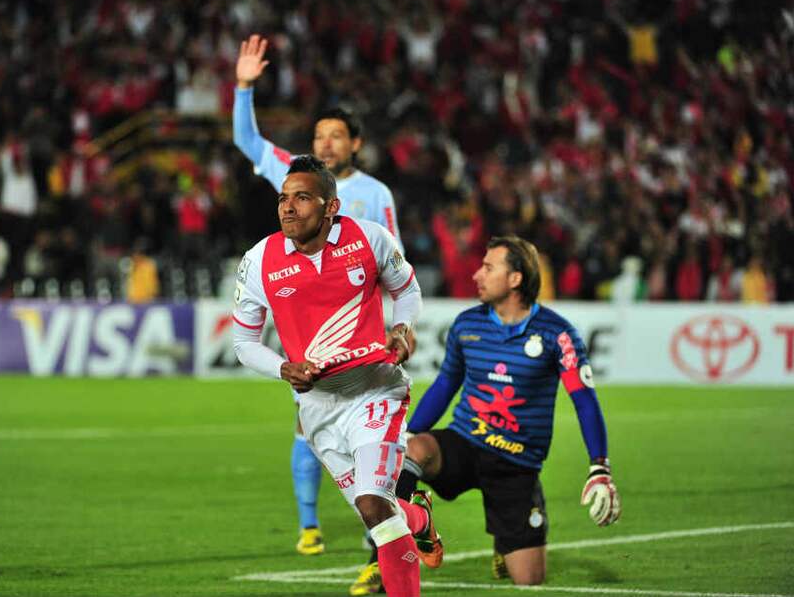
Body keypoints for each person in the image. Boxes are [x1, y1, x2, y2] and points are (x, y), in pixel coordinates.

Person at [356, 235, 621, 589]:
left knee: (529, 581)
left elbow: (584, 400)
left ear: (515, 279)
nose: (477, 275)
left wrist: (599, 467)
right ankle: (384, 562)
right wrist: (405, 433)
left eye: (488, 267)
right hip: (465, 442)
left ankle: (506, 537)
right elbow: (445, 386)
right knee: (408, 452)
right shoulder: (468, 325)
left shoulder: (558, 334)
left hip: (517, 463)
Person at [233, 155, 441, 597]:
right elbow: (244, 343)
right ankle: (419, 518)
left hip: (375, 390)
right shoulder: (259, 261)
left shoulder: (369, 239)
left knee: (375, 508)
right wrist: (283, 368)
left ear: (331, 207)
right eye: (283, 199)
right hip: (317, 407)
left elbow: (407, 292)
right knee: (379, 511)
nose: (288, 208)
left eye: (302, 198)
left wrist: (403, 328)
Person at [233, 33, 403, 556]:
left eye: (336, 136)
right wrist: (243, 88)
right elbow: (248, 142)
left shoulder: (375, 197)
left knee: (368, 439)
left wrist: (401, 322)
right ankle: (312, 525)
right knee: (308, 424)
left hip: (365, 340)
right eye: (319, 135)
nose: (325, 144)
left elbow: (392, 266)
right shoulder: (295, 179)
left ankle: (381, 533)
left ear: (355, 144)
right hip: (308, 332)